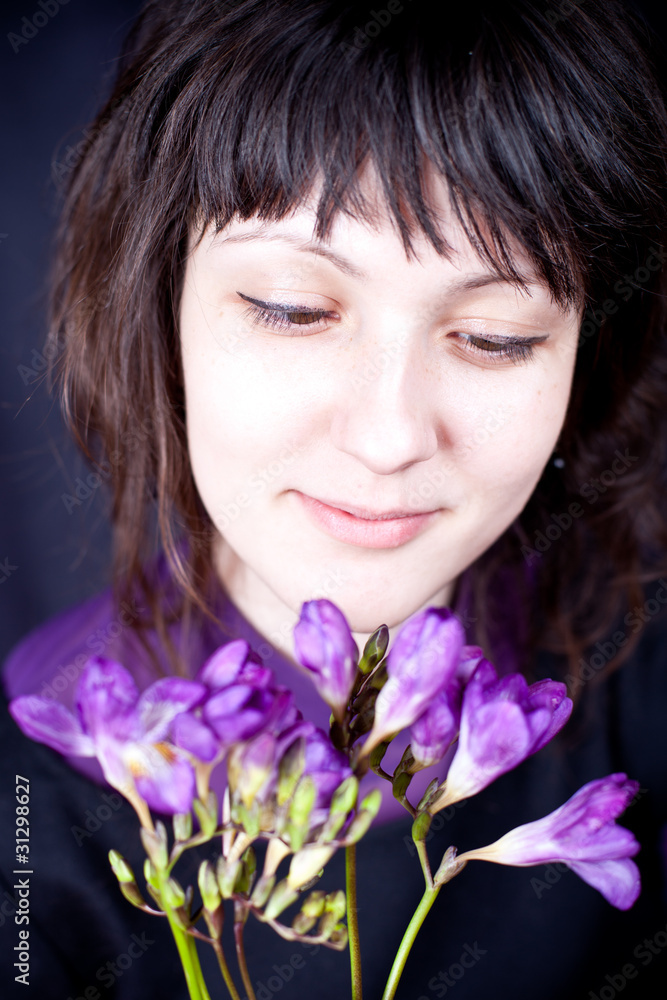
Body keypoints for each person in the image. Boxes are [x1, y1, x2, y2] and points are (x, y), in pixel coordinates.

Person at [2, 1, 667, 997]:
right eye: (293, 309)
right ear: (158, 304)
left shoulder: (639, 671)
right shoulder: (31, 815)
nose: (390, 438)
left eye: (495, 336)